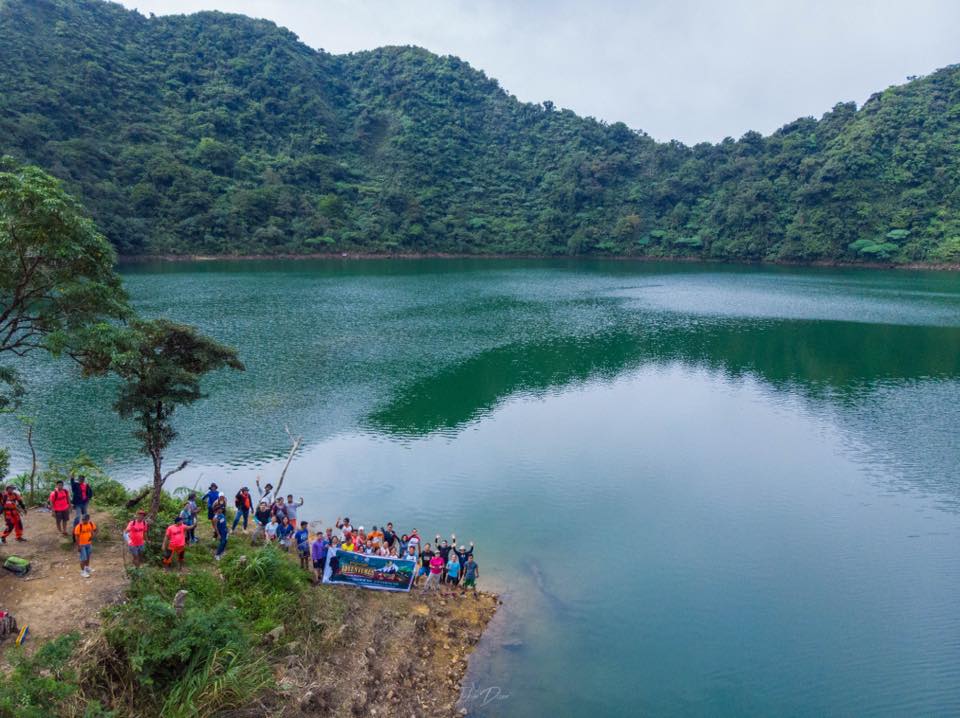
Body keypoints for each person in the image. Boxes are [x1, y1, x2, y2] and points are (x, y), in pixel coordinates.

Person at [74, 513, 97, 577]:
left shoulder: (91, 524)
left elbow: (95, 530)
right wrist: (78, 546)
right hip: (82, 545)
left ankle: (87, 568)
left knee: (88, 556)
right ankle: (82, 571)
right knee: (83, 558)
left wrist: (93, 536)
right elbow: (76, 537)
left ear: (88, 519)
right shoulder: (79, 526)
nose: (83, 521)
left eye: (85, 520)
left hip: (89, 544)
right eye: (82, 519)